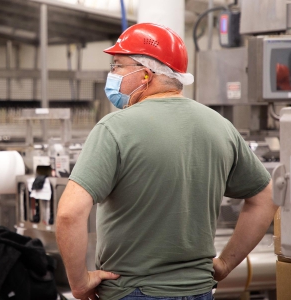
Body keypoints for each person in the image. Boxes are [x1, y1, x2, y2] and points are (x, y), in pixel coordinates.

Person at [56, 23, 278, 300]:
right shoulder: (220, 126)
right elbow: (266, 196)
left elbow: (69, 214)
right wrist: (224, 264)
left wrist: (79, 282)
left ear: (146, 75)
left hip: (132, 291)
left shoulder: (114, 128)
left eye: (117, 66)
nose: (111, 75)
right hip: (200, 290)